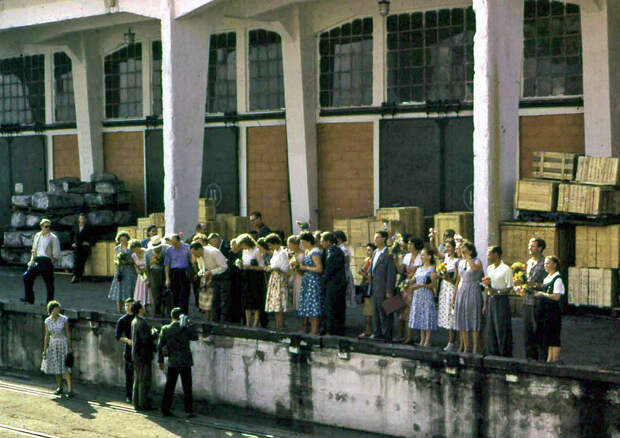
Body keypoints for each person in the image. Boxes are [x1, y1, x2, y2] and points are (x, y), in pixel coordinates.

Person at [158, 308, 199, 418]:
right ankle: (189, 410)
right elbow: (195, 337)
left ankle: (165, 409)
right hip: (185, 361)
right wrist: (190, 325)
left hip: (173, 361)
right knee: (187, 387)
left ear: (171, 317)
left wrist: (160, 360)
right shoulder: (185, 328)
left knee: (169, 387)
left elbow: (160, 345)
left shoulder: (166, 329)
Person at [483, 246, 513, 357]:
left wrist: (498, 291)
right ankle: (492, 352)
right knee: (491, 327)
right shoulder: (489, 268)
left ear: (496, 254)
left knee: (502, 327)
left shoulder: (506, 269)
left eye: (489, 254)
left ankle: (504, 353)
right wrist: (485, 304)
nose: (488, 256)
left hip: (501, 299)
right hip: (491, 299)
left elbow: (509, 287)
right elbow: (487, 287)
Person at [533, 256, 565, 363]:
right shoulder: (547, 277)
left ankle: (554, 360)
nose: (545, 266)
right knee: (548, 335)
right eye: (545, 263)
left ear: (554, 264)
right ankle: (549, 360)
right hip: (545, 309)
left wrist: (542, 294)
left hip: (553, 310)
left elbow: (556, 296)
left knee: (554, 335)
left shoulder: (557, 278)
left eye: (548, 263)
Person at [454, 241, 484, 354]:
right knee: (462, 318)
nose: (463, 251)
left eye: (465, 249)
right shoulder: (460, 262)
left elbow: (475, 269)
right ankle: (466, 346)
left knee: (473, 317)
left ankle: (476, 348)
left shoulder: (477, 261)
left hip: (473, 289)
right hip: (462, 289)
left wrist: (468, 257)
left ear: (470, 250)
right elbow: (458, 279)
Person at [22, 219, 60, 304]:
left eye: (49, 227)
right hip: (38, 260)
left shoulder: (53, 237)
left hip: (47, 260)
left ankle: (49, 302)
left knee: (49, 282)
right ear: (42, 226)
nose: (48, 228)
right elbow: (34, 249)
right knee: (27, 277)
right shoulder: (37, 235)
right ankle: (29, 298)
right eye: (46, 226)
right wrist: (32, 260)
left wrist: (52, 262)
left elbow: (56, 252)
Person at [368, 231, 397, 342]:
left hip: (384, 288)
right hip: (375, 287)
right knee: (375, 312)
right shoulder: (375, 252)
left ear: (384, 239)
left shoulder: (388, 253)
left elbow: (391, 274)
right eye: (375, 237)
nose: (375, 239)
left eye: (378, 237)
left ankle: (387, 335)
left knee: (385, 312)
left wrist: (389, 290)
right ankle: (377, 333)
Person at [189, 241, 228, 321]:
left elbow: (224, 267)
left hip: (223, 277)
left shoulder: (213, 252)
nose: (194, 256)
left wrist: (211, 272)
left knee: (222, 302)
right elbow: (201, 269)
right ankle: (213, 322)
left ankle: (222, 322)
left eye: (194, 253)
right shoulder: (199, 257)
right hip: (210, 279)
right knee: (212, 303)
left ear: (199, 249)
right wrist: (202, 273)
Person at [406, 249, 438, 346]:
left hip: (426, 295)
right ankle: (422, 339)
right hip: (418, 295)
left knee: (426, 315)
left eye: (423, 255)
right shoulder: (419, 269)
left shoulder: (432, 269)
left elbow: (434, 285)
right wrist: (406, 283)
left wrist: (420, 286)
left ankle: (427, 340)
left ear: (429, 257)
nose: (422, 257)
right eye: (421, 256)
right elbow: (413, 280)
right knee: (420, 315)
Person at [42, 300, 73, 397]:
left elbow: (67, 333)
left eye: (58, 309)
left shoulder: (64, 319)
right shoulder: (47, 321)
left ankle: (70, 389)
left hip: (62, 343)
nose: (58, 311)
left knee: (65, 367)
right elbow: (47, 335)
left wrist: (69, 346)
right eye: (56, 309)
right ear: (51, 310)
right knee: (56, 366)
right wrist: (45, 349)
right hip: (53, 344)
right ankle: (60, 387)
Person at [524, 238, 547, 360]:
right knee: (527, 330)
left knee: (538, 329)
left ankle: (541, 358)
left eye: (532, 246)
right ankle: (530, 357)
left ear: (540, 248)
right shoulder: (528, 262)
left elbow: (547, 284)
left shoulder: (544, 263)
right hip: (527, 300)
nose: (530, 248)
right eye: (529, 245)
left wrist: (533, 285)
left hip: (539, 301)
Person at [397, 237, 423, 343]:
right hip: (405, 285)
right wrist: (396, 259)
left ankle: (411, 336)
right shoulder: (407, 256)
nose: (408, 246)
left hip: (415, 285)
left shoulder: (421, 257)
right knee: (401, 309)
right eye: (408, 244)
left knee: (411, 311)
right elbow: (401, 270)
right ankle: (400, 335)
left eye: (411, 244)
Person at [320, 232, 347, 336]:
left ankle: (336, 330)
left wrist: (324, 278)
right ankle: (328, 328)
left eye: (323, 241)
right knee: (328, 307)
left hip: (336, 284)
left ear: (328, 242)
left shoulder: (337, 252)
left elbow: (332, 269)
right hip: (329, 284)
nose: (321, 243)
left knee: (335, 307)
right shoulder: (326, 251)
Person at [237, 234, 266, 327]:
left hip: (255, 277)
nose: (241, 247)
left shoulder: (257, 250)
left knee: (255, 300)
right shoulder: (244, 251)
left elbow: (262, 266)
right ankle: (248, 322)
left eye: (242, 245)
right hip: (246, 276)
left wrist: (250, 266)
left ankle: (255, 322)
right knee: (246, 300)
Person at [298, 232, 324, 335]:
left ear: (309, 241)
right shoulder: (308, 251)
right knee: (308, 305)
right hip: (307, 281)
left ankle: (314, 329)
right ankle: (310, 328)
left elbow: (319, 268)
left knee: (314, 305)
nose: (302, 244)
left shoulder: (315, 252)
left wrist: (305, 267)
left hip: (313, 281)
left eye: (303, 242)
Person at [131, 301, 155, 411]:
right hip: (143, 355)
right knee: (144, 380)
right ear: (140, 310)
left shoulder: (134, 321)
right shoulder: (142, 323)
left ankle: (136, 401)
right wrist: (153, 334)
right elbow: (145, 339)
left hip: (136, 354)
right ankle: (143, 403)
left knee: (137, 379)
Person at [437, 239, 459, 351]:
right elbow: (436, 252)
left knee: (452, 316)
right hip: (444, 289)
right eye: (446, 247)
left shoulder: (457, 260)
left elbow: (456, 280)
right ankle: (451, 340)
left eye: (449, 247)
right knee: (447, 314)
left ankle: (452, 341)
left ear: (455, 248)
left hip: (452, 289)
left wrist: (447, 277)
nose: (447, 249)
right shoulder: (446, 257)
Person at [264, 233, 289, 329]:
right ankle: (278, 325)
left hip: (279, 278)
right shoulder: (275, 252)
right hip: (274, 277)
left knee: (279, 303)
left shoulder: (282, 252)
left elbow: (284, 268)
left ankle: (280, 325)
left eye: (270, 244)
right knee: (275, 304)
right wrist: (270, 267)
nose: (269, 247)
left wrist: (274, 268)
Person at [108, 231, 137, 313]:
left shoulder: (131, 248)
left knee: (130, 289)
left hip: (129, 270)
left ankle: (130, 309)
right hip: (120, 271)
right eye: (121, 240)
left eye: (125, 240)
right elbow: (115, 259)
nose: (123, 241)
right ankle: (119, 310)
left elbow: (134, 260)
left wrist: (128, 262)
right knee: (119, 289)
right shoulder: (117, 248)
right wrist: (118, 262)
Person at [164, 234, 192, 314]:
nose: (174, 245)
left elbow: (191, 260)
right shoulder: (169, 250)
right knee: (174, 294)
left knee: (185, 294)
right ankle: (175, 314)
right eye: (172, 243)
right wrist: (167, 278)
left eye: (175, 243)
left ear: (179, 241)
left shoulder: (187, 247)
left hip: (184, 272)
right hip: (174, 273)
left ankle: (184, 314)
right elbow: (167, 265)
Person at [115, 298, 135, 403]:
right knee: (129, 373)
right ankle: (129, 394)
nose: (128, 307)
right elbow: (117, 336)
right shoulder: (122, 320)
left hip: (139, 348)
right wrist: (127, 340)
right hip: (129, 348)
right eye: (126, 305)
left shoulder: (138, 317)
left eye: (130, 305)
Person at [145, 236, 168, 317]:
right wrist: (147, 279)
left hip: (163, 272)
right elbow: (146, 267)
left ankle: (163, 312)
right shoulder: (147, 253)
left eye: (158, 247)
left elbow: (167, 265)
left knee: (164, 293)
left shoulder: (166, 250)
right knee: (155, 295)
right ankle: (156, 312)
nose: (157, 249)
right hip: (153, 273)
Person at [357, 243, 376, 338]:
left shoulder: (374, 261)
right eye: (367, 250)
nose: (367, 252)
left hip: (371, 287)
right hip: (365, 286)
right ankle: (367, 330)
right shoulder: (366, 260)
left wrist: (363, 274)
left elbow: (370, 275)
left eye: (369, 250)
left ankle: (372, 330)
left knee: (370, 311)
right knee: (366, 311)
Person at [334, 231, 356, 308]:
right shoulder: (339, 248)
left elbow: (346, 263)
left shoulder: (343, 249)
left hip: (343, 273)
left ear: (339, 239)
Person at [71, 213, 94, 283]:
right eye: (81, 219)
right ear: (79, 219)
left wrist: (88, 243)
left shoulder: (88, 227)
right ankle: (75, 275)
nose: (82, 220)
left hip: (84, 247)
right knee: (75, 260)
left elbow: (93, 236)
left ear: (85, 220)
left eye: (83, 219)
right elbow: (71, 235)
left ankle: (79, 275)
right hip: (77, 246)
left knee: (82, 261)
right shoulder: (75, 226)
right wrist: (72, 243)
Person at [131, 239, 152, 314]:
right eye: (133, 249)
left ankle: (148, 305)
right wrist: (138, 271)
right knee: (140, 291)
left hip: (148, 273)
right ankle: (141, 306)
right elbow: (136, 265)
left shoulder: (146, 252)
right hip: (141, 275)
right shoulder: (134, 255)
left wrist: (147, 276)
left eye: (136, 248)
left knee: (148, 290)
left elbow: (148, 265)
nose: (135, 251)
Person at [286, 235, 304, 311]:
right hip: (293, 276)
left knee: (300, 294)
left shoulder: (303, 254)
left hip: (300, 276)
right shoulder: (291, 254)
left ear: (296, 245)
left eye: (290, 245)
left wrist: (295, 263)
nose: (289, 246)